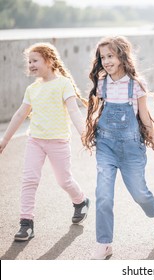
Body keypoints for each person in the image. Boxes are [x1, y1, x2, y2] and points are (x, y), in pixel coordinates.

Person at [83, 36, 154, 260]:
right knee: (103, 195)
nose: (106, 61)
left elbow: (144, 115)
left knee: (139, 193)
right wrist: (88, 129)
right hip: (106, 147)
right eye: (103, 57)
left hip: (131, 148)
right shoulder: (102, 83)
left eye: (110, 56)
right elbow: (98, 111)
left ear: (122, 56)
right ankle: (104, 243)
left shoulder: (136, 84)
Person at [0, 42, 90, 241]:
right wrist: (4, 139)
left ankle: (80, 201)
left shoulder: (63, 84)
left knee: (64, 180)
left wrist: (84, 134)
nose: (31, 65)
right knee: (29, 180)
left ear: (49, 61)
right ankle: (26, 223)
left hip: (58, 141)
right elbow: (20, 114)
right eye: (29, 61)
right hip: (35, 141)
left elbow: (74, 111)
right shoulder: (32, 89)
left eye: (35, 61)